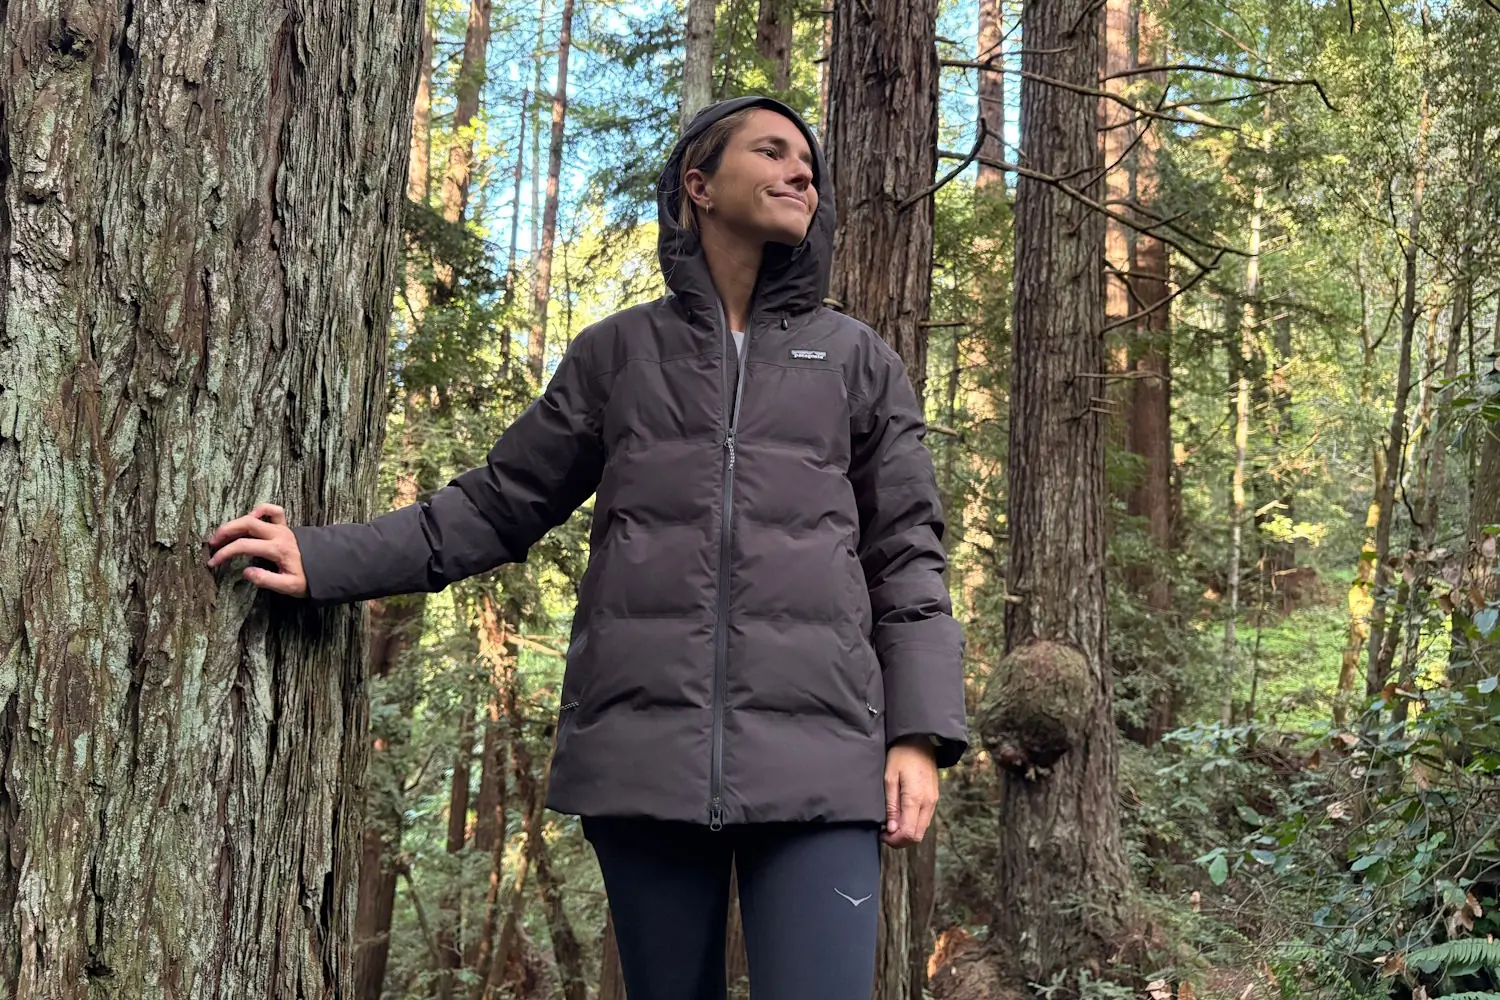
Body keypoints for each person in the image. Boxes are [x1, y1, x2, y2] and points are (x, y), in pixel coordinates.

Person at [207, 95, 967, 1000]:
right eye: (771, 153)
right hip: (644, 763)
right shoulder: (618, 356)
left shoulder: (859, 362)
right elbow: (497, 505)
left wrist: (918, 735)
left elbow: (909, 555)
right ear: (699, 185)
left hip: (825, 764)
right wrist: (327, 559)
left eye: (809, 162)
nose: (802, 171)